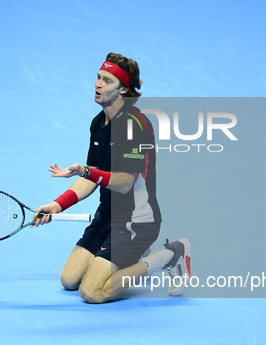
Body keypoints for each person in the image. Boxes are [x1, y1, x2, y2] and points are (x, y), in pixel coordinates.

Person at [33, 52, 191, 303]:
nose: (97, 84)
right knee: (69, 281)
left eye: (107, 80)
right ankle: (130, 257)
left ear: (123, 90)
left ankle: (170, 255)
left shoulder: (134, 126)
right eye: (98, 77)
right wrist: (57, 205)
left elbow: (125, 182)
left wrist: (86, 170)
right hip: (107, 215)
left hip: (136, 222)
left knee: (92, 292)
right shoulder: (99, 123)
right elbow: (91, 177)